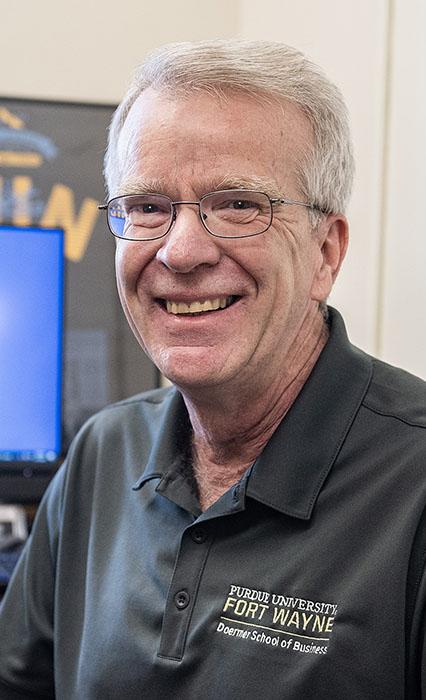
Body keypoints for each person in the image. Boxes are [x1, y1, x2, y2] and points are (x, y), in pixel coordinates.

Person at [0, 39, 425, 700]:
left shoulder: (413, 487)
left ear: (325, 253)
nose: (182, 250)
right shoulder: (104, 454)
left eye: (238, 205)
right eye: (146, 207)